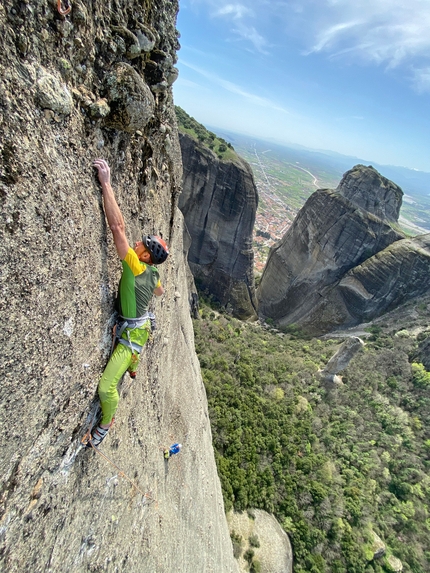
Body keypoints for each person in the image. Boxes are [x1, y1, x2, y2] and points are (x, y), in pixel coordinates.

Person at [90, 159, 169, 447]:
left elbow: (117, 227)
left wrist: (106, 184)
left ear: (145, 256)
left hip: (133, 336)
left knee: (107, 386)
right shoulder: (154, 272)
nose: (137, 242)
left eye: (143, 244)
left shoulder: (136, 266)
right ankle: (133, 364)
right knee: (134, 345)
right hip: (143, 324)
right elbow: (160, 292)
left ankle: (106, 424)